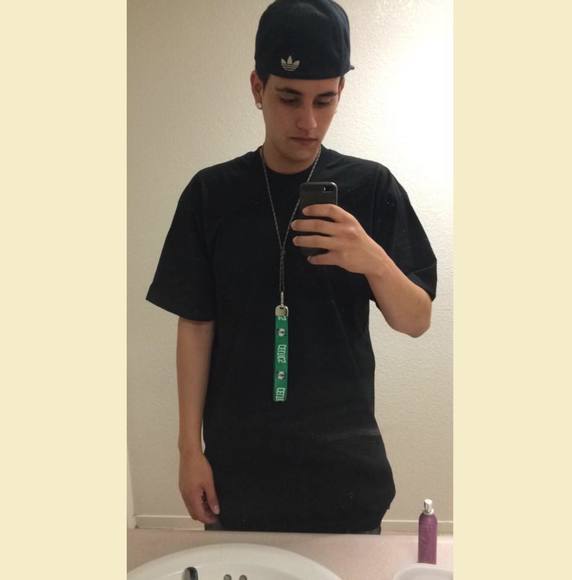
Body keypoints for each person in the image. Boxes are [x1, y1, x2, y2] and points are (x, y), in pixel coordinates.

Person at [146, 0, 437, 535]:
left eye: (325, 100)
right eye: (289, 98)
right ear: (257, 87)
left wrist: (371, 258)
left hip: (345, 473)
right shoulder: (211, 194)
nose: (309, 122)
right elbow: (196, 325)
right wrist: (190, 450)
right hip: (238, 471)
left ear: (341, 90)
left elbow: (416, 319)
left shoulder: (372, 187)